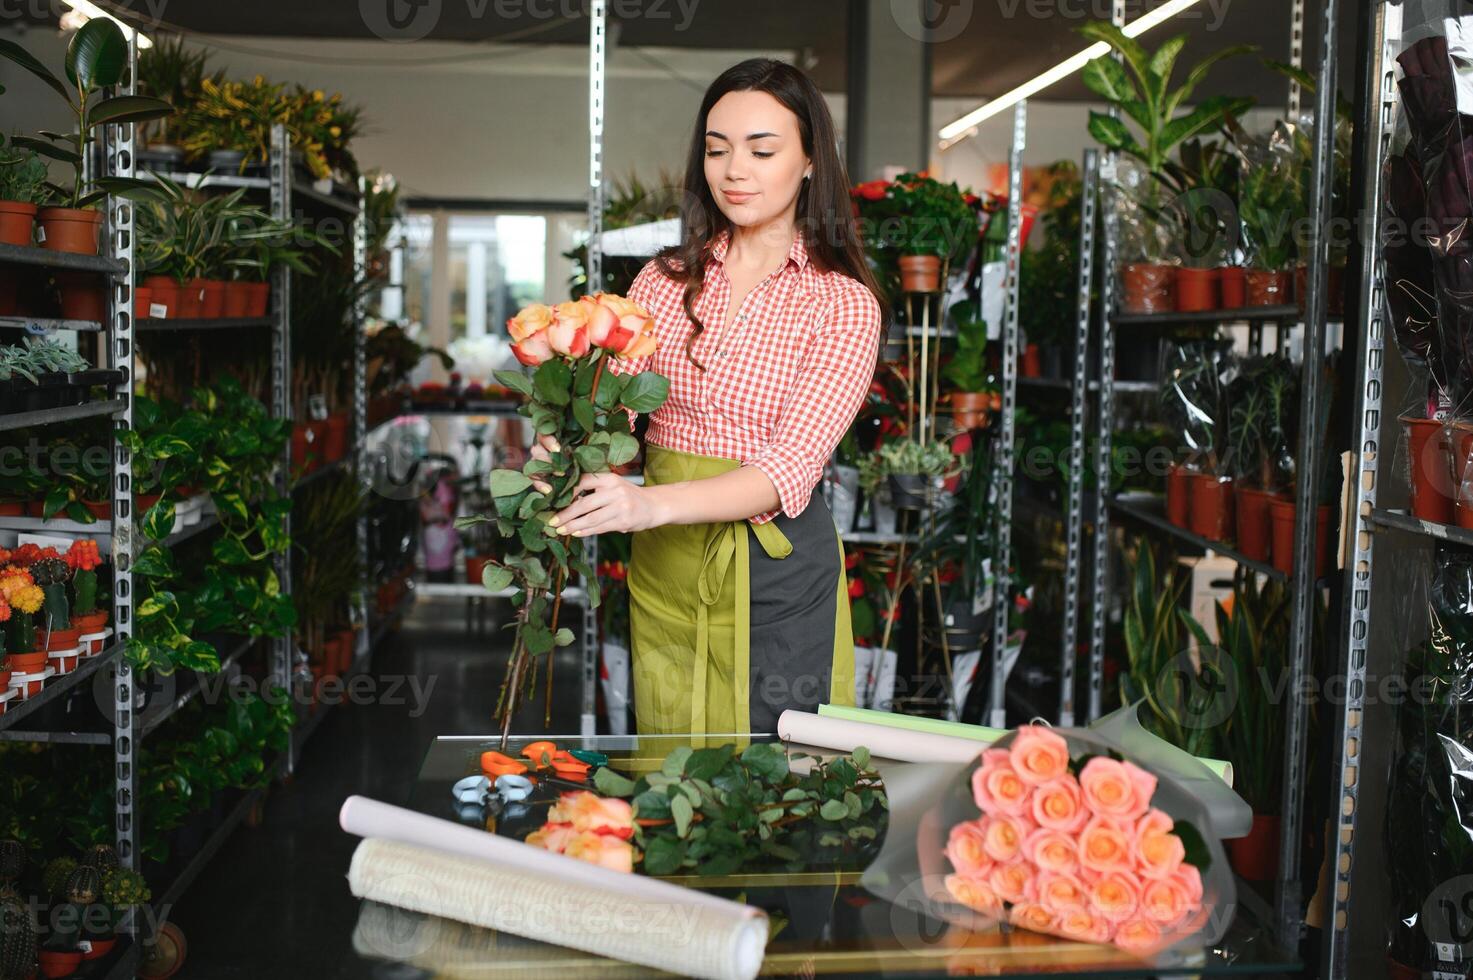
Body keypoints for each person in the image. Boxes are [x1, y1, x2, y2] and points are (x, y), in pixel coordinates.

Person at [541, 58, 885, 740]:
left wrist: (650, 503)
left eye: (762, 150)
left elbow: (789, 466)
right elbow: (618, 413)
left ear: (811, 160)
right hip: (665, 557)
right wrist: (568, 437)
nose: (734, 170)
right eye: (717, 148)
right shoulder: (662, 283)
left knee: (779, 776)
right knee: (673, 756)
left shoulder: (842, 304)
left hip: (774, 568)